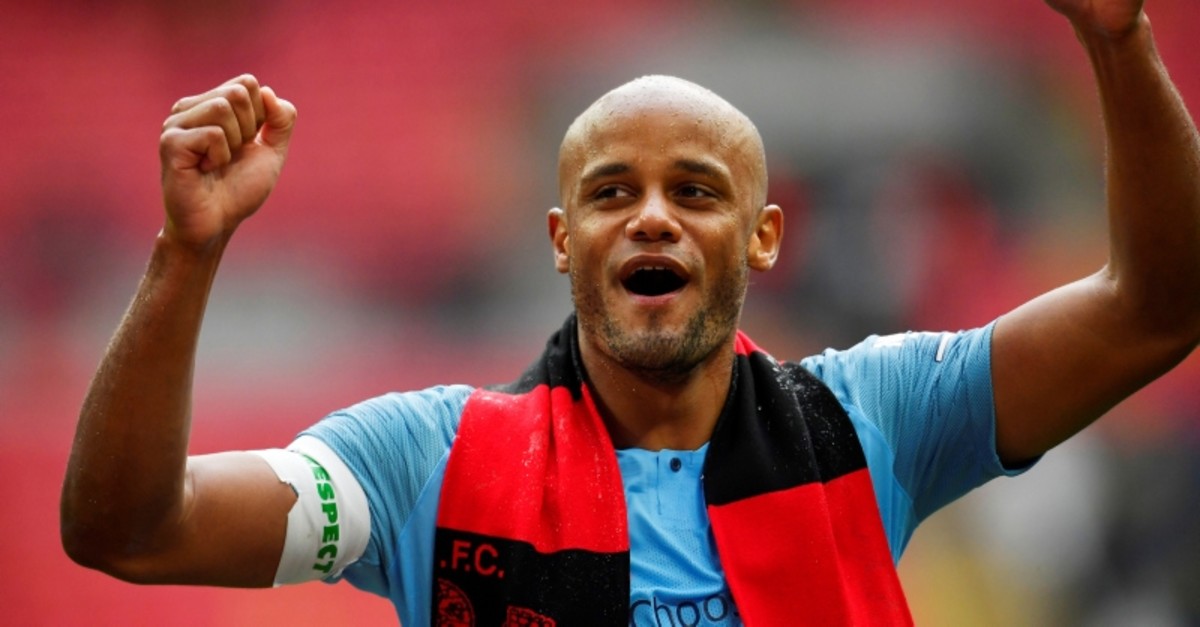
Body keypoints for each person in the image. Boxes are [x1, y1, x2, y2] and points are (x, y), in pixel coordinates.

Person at [61, 0, 1199, 624]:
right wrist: (185, 254)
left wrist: (1118, 39)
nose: (652, 219)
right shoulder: (422, 462)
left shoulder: (877, 419)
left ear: (762, 237)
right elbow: (131, 530)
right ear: (564, 243)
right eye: (612, 193)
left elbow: (1160, 306)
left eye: (696, 192)